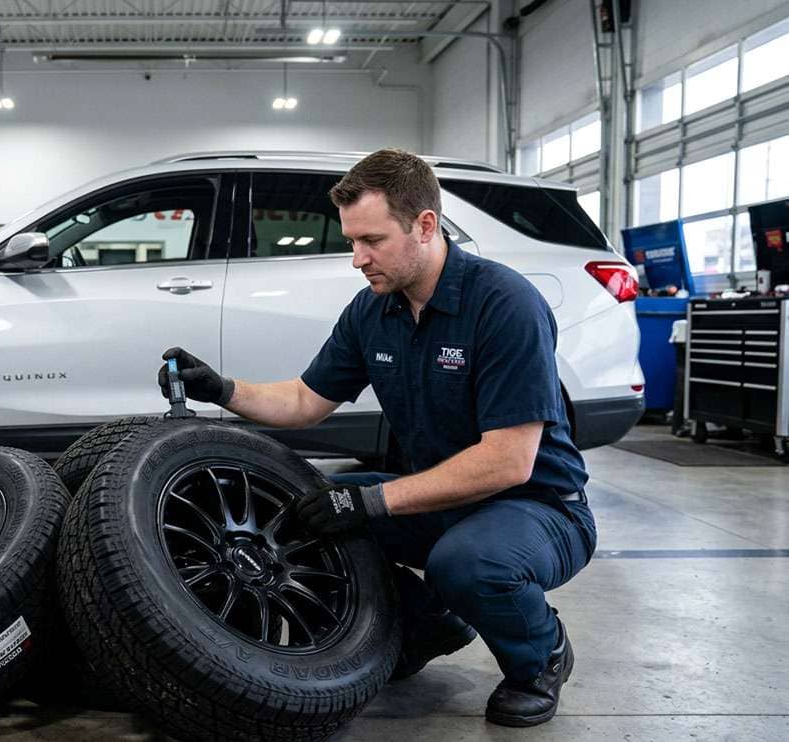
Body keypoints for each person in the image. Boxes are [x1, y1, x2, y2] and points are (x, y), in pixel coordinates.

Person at [157, 148, 596, 728]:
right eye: (352, 242)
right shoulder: (373, 311)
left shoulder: (503, 304)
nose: (358, 259)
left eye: (372, 240)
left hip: (537, 507)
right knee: (300, 513)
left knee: (466, 564)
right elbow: (304, 401)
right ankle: (430, 619)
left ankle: (541, 656)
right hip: (442, 496)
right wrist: (222, 387)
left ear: (425, 226)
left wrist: (370, 500)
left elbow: (509, 462)